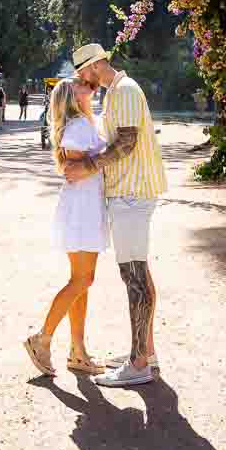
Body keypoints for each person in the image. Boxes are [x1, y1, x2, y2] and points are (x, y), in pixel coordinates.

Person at [63, 43, 167, 389]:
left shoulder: (122, 91)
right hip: (131, 194)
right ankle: (145, 352)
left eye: (82, 74)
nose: (83, 80)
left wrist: (87, 167)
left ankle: (139, 363)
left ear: (93, 67)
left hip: (132, 195)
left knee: (134, 277)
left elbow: (125, 144)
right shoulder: (120, 91)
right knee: (139, 273)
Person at [23, 78, 108, 377]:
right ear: (72, 97)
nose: (90, 85)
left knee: (82, 281)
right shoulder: (77, 127)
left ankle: (78, 351)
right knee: (82, 280)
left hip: (85, 206)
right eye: (82, 85)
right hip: (82, 209)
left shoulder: (84, 122)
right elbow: (75, 169)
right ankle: (41, 339)